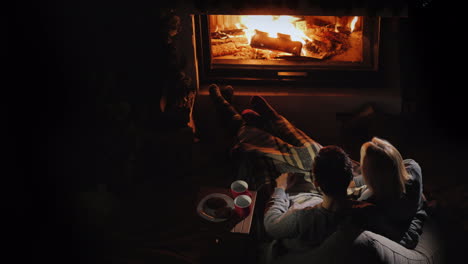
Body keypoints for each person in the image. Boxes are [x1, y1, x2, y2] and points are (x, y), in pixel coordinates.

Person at [263, 146, 375, 260]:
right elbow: (369, 178)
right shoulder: (361, 211)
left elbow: (270, 225)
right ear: (349, 178)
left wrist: (280, 188)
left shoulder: (302, 217)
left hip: (292, 247)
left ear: (316, 183)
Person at [352, 137, 427, 249]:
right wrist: (355, 182)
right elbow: (392, 170)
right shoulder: (413, 168)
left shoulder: (370, 203)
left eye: (364, 165)